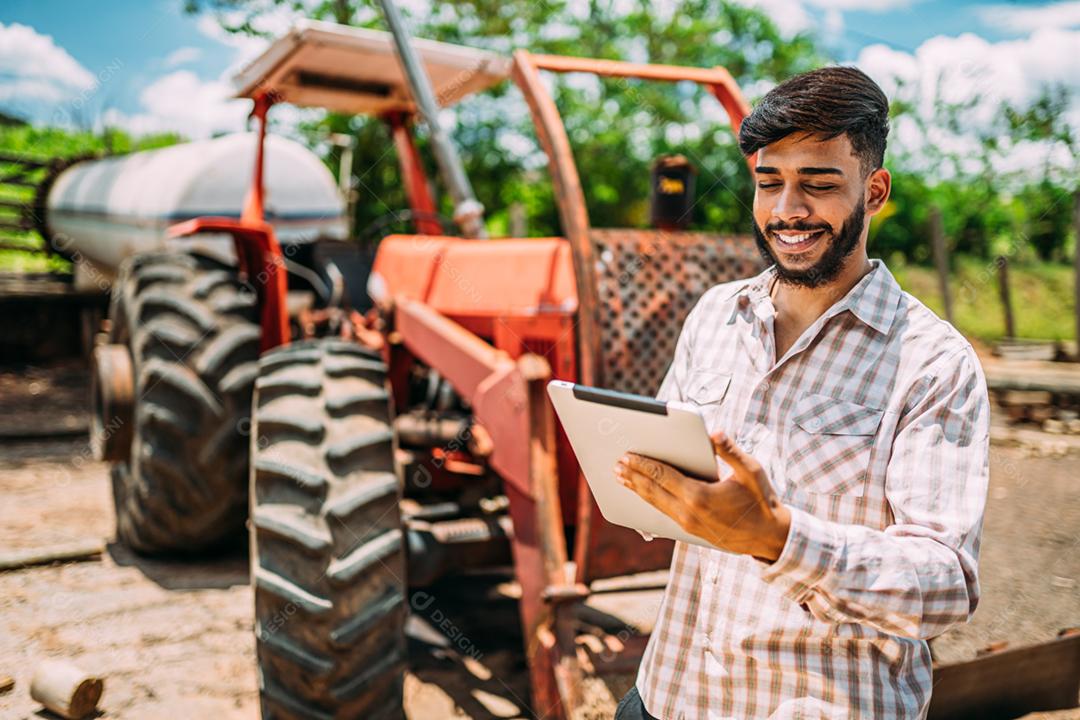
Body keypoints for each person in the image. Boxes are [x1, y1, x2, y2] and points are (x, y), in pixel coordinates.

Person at [612, 66, 990, 719]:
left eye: (817, 184)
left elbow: (943, 587)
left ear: (874, 192)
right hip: (670, 694)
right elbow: (671, 469)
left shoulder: (934, 364)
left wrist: (778, 538)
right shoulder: (714, 316)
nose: (788, 209)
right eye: (769, 183)